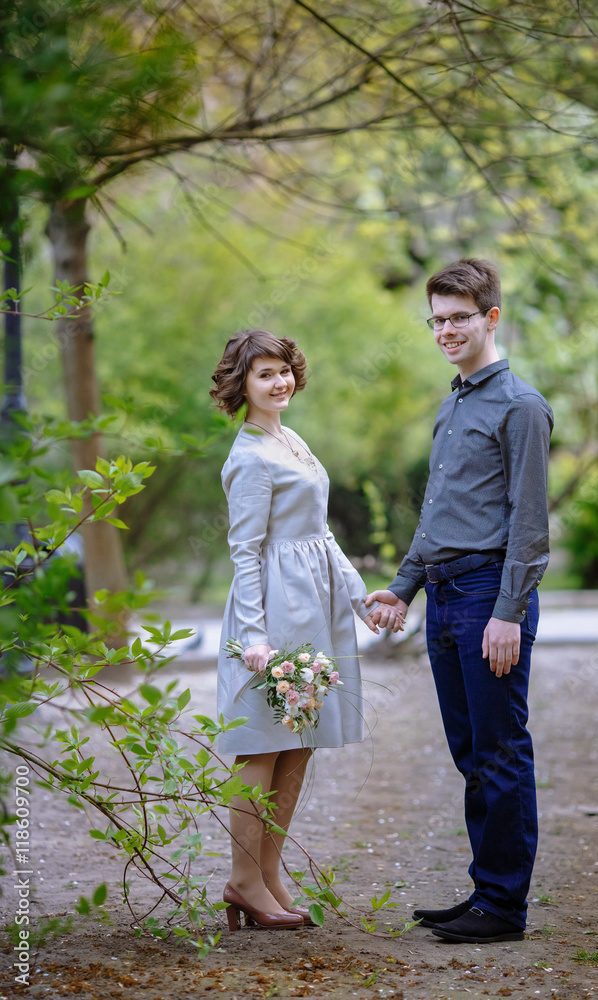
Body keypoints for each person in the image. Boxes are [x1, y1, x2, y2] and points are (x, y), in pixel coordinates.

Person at [366, 259, 553, 944]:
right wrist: (404, 585)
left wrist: (507, 611)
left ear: (490, 318)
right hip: (445, 597)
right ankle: (486, 890)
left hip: (486, 597)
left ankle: (503, 908)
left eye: (458, 318)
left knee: (500, 752)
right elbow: (438, 514)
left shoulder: (520, 407)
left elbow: (528, 525)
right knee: (471, 753)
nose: (445, 330)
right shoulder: (455, 401)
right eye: (436, 319)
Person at [210, 329, 402, 932]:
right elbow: (244, 553)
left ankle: (268, 873)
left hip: (312, 611)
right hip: (271, 614)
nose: (280, 381)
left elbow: (321, 536)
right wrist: (254, 637)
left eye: (284, 369)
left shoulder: (290, 439)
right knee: (261, 743)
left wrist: (358, 598)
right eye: (264, 374)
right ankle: (241, 878)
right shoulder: (248, 457)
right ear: (241, 385)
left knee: (298, 741)